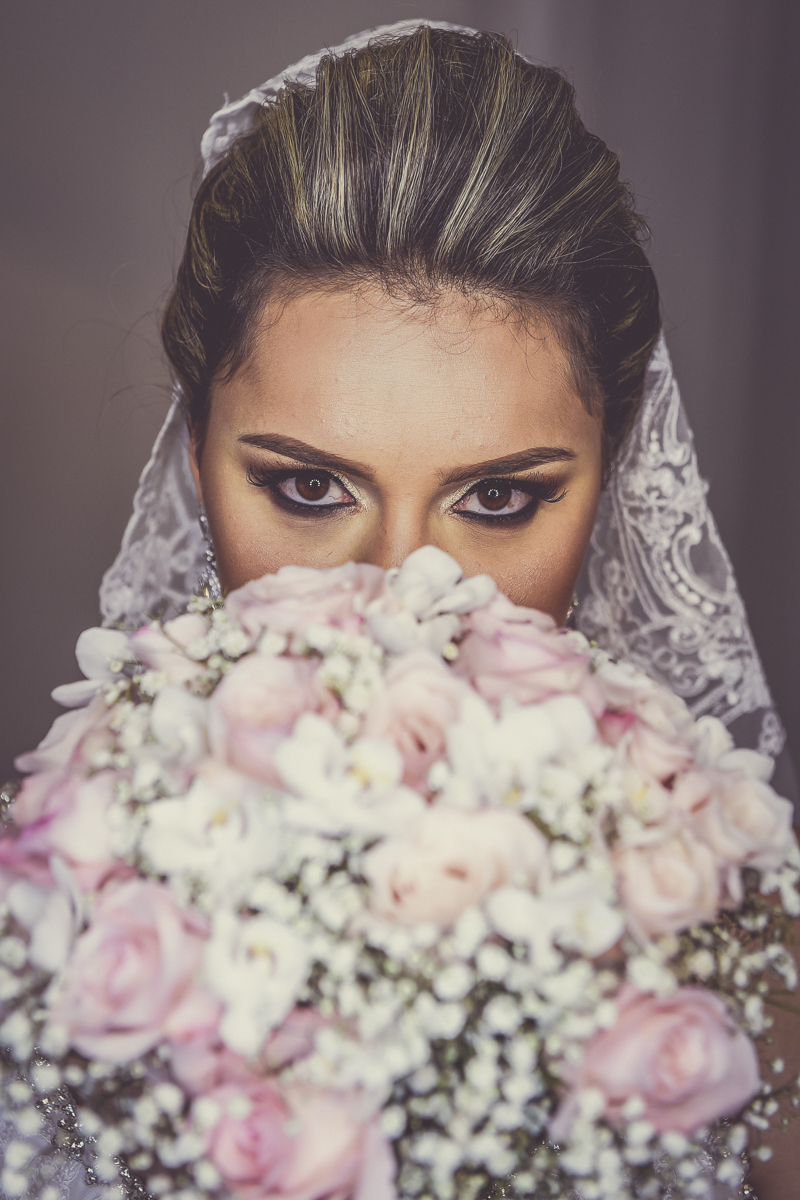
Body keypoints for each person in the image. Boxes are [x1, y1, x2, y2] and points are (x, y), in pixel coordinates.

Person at [13, 18, 798, 1200]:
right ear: (192, 458)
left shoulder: (732, 991)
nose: (398, 593)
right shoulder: (47, 924)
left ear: (617, 477)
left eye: (496, 497)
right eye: (307, 487)